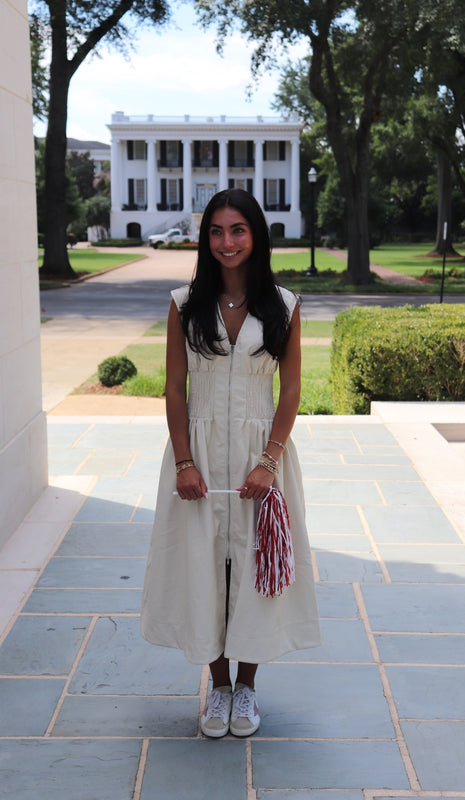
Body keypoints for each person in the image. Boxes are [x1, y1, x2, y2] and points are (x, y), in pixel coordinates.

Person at [141, 188, 321, 738]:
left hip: (260, 456)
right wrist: (184, 462)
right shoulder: (184, 304)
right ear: (205, 239)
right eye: (216, 231)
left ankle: (246, 689)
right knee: (204, 567)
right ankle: (216, 689)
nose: (227, 242)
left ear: (256, 235)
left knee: (253, 569)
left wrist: (269, 461)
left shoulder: (284, 306)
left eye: (237, 230)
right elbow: (175, 388)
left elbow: (290, 392)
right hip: (197, 456)